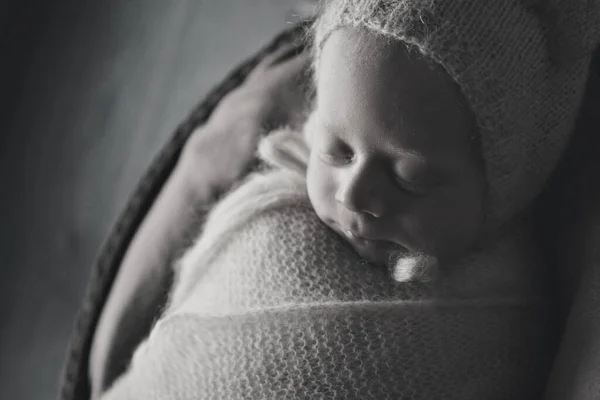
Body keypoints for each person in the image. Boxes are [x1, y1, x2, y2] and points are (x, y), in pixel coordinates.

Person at [98, 0, 600, 399]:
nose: (356, 194)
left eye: (410, 179)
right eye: (336, 151)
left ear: (500, 189)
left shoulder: (507, 320)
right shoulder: (282, 179)